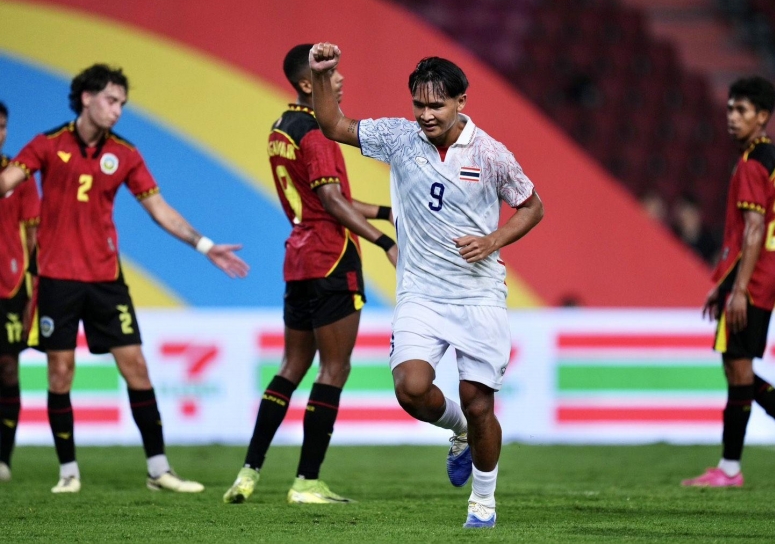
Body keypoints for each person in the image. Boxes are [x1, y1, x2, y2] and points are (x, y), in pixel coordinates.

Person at [309, 43, 544, 528]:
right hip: (421, 293)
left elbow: (532, 205)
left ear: (461, 101)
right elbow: (334, 125)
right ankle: (456, 429)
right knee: (411, 388)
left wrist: (493, 239)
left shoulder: (491, 153)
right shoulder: (399, 138)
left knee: (480, 402)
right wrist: (322, 73)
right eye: (419, 104)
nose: (425, 114)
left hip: (478, 295)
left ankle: (483, 502)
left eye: (436, 105)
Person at [0, 64, 249, 494]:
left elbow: (160, 210)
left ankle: (158, 469)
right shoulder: (47, 144)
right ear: (86, 98)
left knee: (136, 366)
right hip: (56, 280)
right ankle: (69, 473)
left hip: (105, 281)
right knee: (60, 372)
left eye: (122, 104)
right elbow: (7, 180)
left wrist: (205, 246)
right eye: (111, 101)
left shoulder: (127, 154)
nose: (117, 111)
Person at [223, 44, 398, 505]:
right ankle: (306, 481)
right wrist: (385, 242)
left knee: (290, 367)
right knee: (334, 368)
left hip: (297, 259)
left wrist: (388, 213)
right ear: (309, 84)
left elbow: (326, 197)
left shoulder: (282, 128)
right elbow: (335, 204)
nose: (340, 80)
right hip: (332, 258)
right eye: (332, 74)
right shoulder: (319, 135)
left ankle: (248, 473)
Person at [682, 76, 775, 488]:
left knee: (738, 369)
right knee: (738, 369)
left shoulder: (753, 162)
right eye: (730, 109)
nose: (732, 118)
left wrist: (738, 289)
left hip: (754, 281)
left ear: (762, 117)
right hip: (761, 277)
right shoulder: (771, 156)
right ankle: (743, 462)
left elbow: (754, 228)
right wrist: (727, 283)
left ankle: (756, 458)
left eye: (742, 111)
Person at [0, 101, 40, 482]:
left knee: (8, 368)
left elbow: (32, 237)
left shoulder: (20, 178)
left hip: (9, 287)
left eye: (1, 126)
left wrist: (31, 289)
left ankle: (3, 459)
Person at [671, 192, 719, 266]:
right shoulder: (673, 239)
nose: (687, 220)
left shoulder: (709, 243)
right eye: (684, 217)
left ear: (698, 215)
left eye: (690, 214)